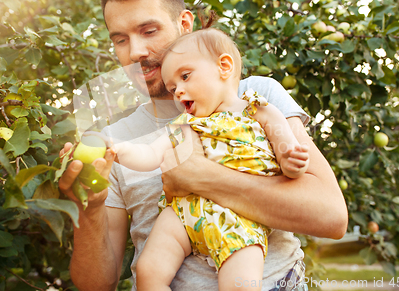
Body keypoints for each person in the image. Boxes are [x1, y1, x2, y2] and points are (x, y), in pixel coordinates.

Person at [57, 0, 348, 291]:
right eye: (121, 39)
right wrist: (89, 209)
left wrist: (200, 177)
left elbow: (331, 217)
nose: (135, 52)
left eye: (149, 31)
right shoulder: (116, 142)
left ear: (184, 24)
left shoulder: (256, 98)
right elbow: (96, 285)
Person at [109, 28, 310, 290]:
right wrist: (120, 151)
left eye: (185, 77)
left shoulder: (258, 109)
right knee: (149, 272)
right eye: (173, 87)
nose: (178, 91)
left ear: (224, 67)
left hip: (240, 219)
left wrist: (293, 162)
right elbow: (150, 154)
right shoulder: (184, 124)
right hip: (184, 213)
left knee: (241, 284)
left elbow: (286, 149)